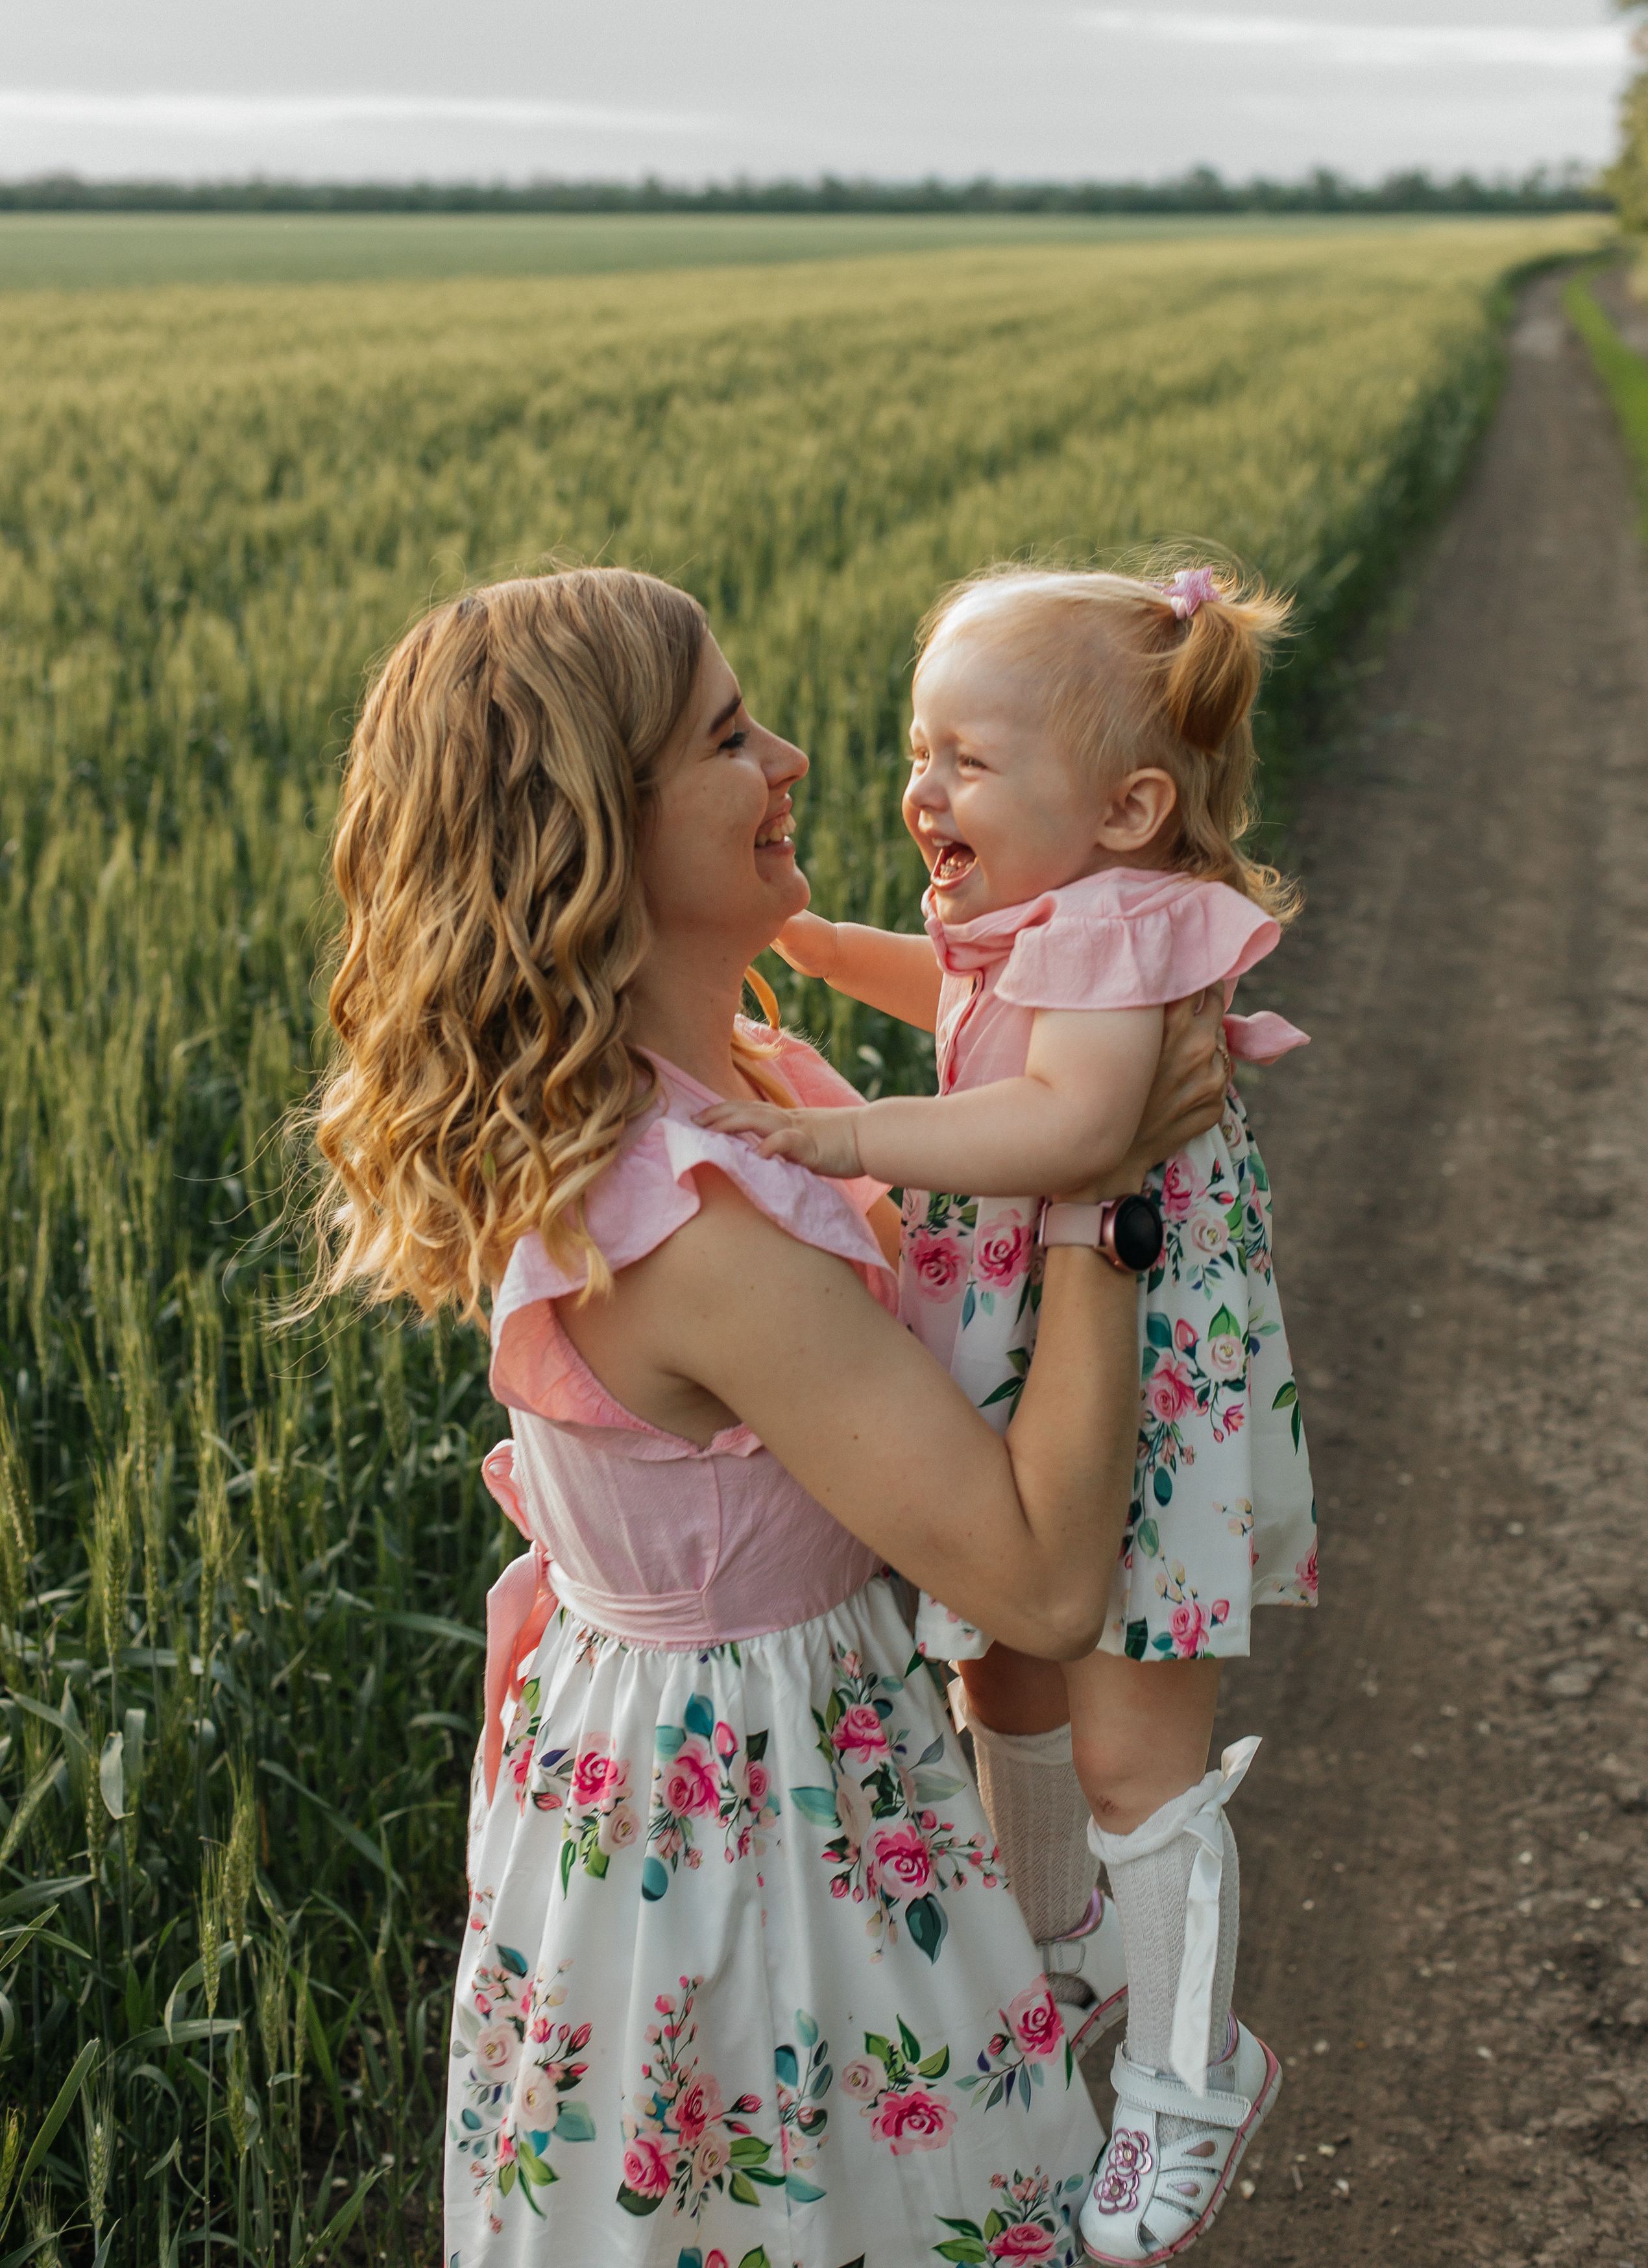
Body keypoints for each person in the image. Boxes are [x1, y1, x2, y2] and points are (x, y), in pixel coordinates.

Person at [304, 568, 1232, 2268]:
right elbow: (1036, 1585)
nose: (793, 754)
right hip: (745, 1848)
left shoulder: (742, 1077)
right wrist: (1112, 1194)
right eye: (732, 736)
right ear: (598, 835)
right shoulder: (696, 1230)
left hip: (720, 1772)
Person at [701, 562, 1317, 2264]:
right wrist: (817, 943)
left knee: (1138, 1760)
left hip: (1140, 1412)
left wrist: (844, 1141)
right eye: (921, 751)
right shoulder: (1064, 921)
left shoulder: (1135, 931)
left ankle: (1198, 2072)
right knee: (1003, 1665)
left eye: (966, 761)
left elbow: (1064, 1130)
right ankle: (1057, 1945)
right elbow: (974, 1008)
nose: (921, 791)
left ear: (1128, 809)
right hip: (1039, 1366)